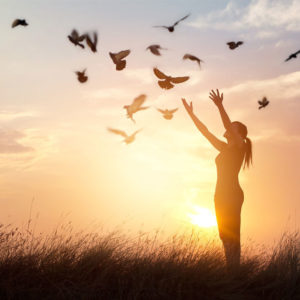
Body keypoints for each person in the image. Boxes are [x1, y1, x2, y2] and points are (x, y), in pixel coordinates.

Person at [182, 89, 252, 269]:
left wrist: (220, 106)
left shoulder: (240, 146)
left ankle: (235, 272)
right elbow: (205, 132)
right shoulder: (224, 148)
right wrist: (191, 114)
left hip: (232, 194)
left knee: (232, 235)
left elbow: (227, 125)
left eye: (233, 127)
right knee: (224, 235)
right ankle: (232, 270)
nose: (228, 128)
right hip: (219, 195)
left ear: (240, 134)